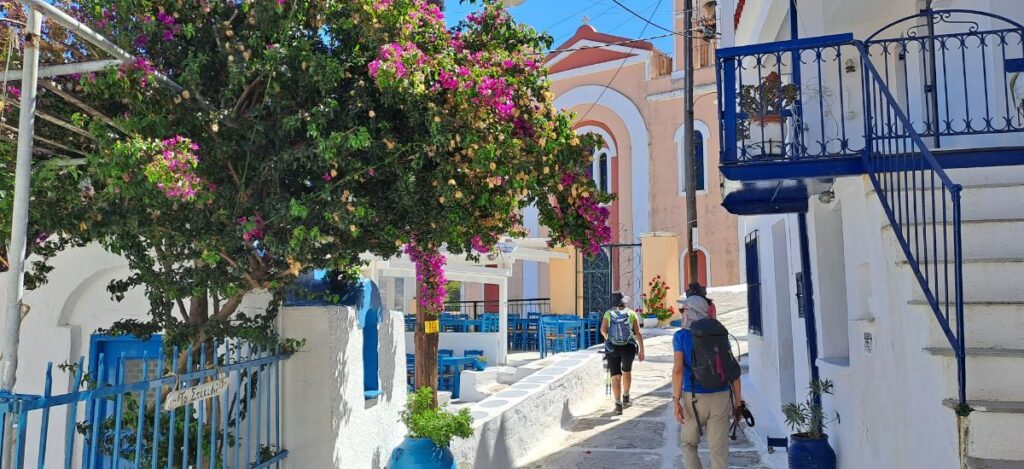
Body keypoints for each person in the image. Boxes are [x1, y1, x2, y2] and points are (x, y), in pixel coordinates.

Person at [672, 294, 742, 469]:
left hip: (694, 397)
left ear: (691, 312)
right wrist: (738, 401)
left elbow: (678, 370)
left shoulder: (681, 336)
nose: (682, 313)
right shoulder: (720, 334)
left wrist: (676, 400)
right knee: (718, 449)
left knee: (689, 443)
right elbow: (732, 368)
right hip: (721, 395)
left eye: (684, 310)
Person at [601, 291, 645, 416]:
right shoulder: (631, 313)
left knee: (615, 376)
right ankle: (626, 397)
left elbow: (602, 330)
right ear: (623, 302)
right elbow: (638, 333)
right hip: (628, 347)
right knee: (626, 371)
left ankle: (618, 404)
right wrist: (642, 350)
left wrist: (609, 338)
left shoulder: (608, 313)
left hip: (612, 348)